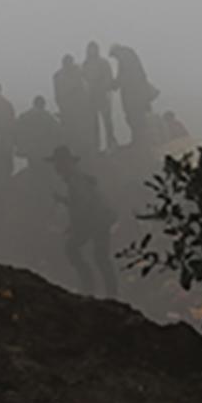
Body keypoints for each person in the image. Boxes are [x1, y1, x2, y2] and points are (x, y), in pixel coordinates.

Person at [48, 145, 119, 298]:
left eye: (58, 163)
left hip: (96, 220)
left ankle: (91, 287)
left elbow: (83, 204)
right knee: (99, 256)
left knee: (79, 250)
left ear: (65, 163)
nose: (56, 167)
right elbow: (80, 202)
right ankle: (104, 290)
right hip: (97, 219)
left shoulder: (75, 179)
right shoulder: (76, 178)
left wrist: (75, 225)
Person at [108, 42, 159, 146]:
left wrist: (114, 84)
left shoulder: (124, 57)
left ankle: (139, 140)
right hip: (137, 92)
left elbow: (124, 76)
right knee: (138, 116)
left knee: (134, 116)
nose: (115, 58)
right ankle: (140, 139)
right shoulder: (129, 55)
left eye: (114, 56)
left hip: (132, 93)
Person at [83, 42, 118, 152]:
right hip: (91, 97)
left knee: (107, 121)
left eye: (93, 49)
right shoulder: (86, 64)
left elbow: (109, 77)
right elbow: (83, 80)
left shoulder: (103, 63)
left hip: (103, 95)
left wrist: (104, 88)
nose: (92, 51)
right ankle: (96, 145)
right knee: (93, 122)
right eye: (90, 49)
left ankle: (111, 143)